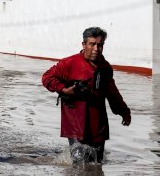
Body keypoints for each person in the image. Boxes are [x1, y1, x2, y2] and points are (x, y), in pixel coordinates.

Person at [42, 27, 131, 164]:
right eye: (92, 44)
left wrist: (124, 111)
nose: (96, 48)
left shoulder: (105, 68)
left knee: (97, 164)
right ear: (84, 45)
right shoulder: (69, 63)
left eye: (100, 45)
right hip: (75, 123)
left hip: (98, 125)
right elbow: (47, 77)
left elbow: (112, 92)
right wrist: (63, 89)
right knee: (79, 164)